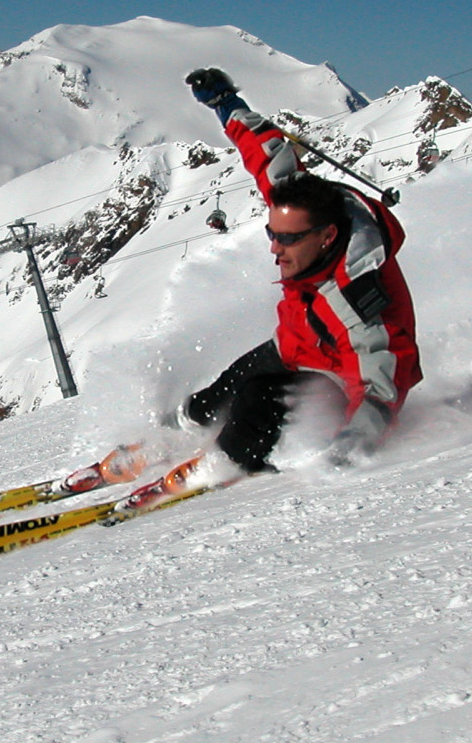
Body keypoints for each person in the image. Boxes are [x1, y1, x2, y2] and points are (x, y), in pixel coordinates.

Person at [177, 67, 422, 471]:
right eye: (272, 234)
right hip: (298, 345)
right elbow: (269, 153)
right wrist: (226, 104)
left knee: (257, 399)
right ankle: (180, 431)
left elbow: (382, 381)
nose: (275, 248)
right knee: (220, 391)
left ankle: (225, 467)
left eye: (287, 239)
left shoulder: (355, 296)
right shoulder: (301, 205)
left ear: (326, 237)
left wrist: (353, 442)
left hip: (341, 378)